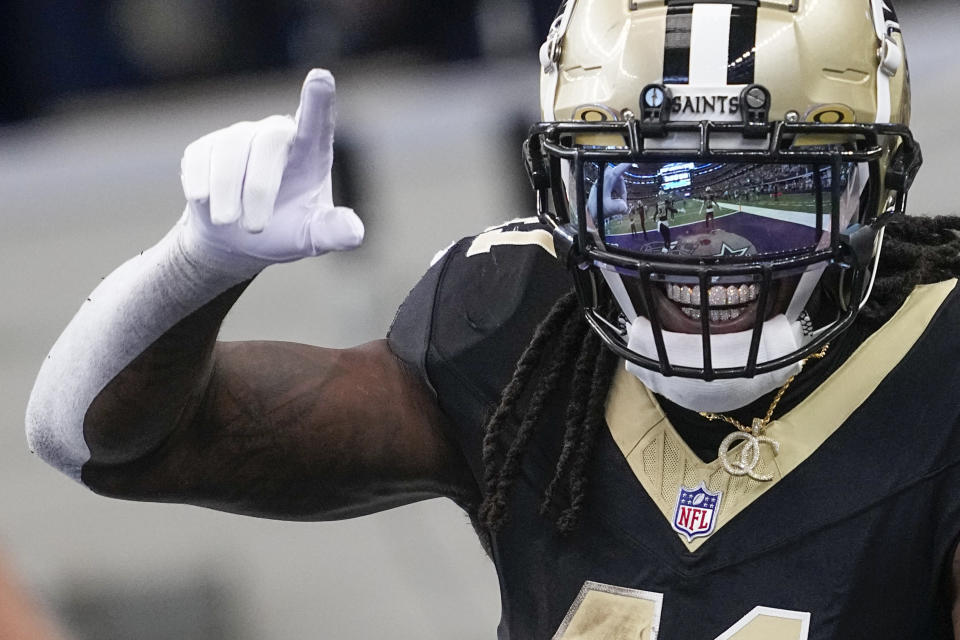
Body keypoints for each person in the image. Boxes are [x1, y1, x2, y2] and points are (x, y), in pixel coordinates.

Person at [24, 1, 960, 638]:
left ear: (874, 193)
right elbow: (95, 443)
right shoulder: (517, 326)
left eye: (767, 198)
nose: (705, 247)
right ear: (561, 192)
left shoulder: (941, 366)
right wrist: (198, 265)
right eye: (652, 196)